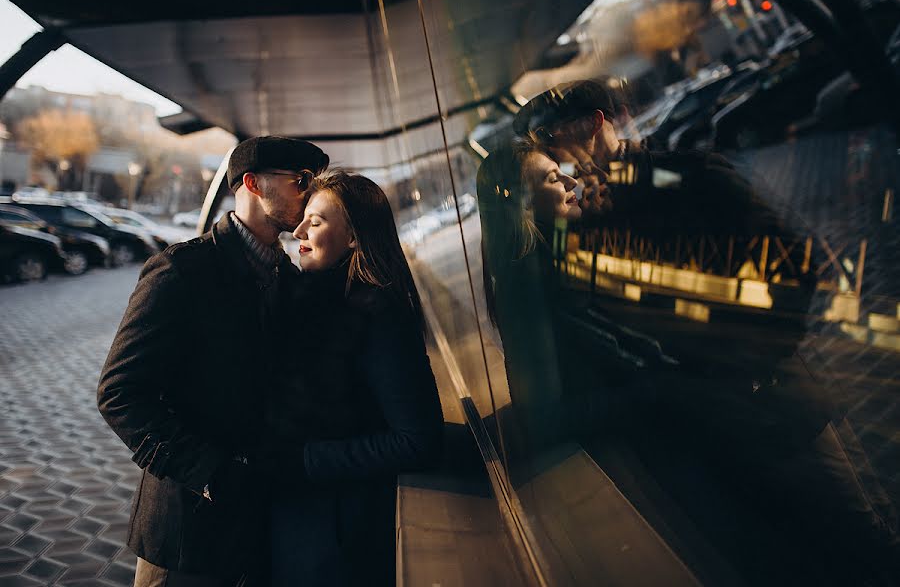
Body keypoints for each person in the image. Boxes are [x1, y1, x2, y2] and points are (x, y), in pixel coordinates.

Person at [500, 80, 900, 582]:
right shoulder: (579, 222)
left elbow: (796, 262)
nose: (552, 151)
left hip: (774, 407)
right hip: (706, 435)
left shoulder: (691, 174)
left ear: (594, 122)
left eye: (553, 135)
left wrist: (747, 361)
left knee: (863, 541)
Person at [97, 136, 329, 587]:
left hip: (258, 524)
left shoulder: (286, 273)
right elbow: (119, 394)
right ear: (253, 184)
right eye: (301, 181)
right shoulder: (182, 271)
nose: (311, 192)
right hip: (186, 531)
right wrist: (210, 474)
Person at [262, 171, 444, 586]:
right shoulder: (313, 297)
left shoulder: (376, 312)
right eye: (304, 217)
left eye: (318, 221)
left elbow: (419, 440)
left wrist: (304, 459)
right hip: (303, 518)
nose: (299, 230)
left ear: (354, 238)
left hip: (337, 536)